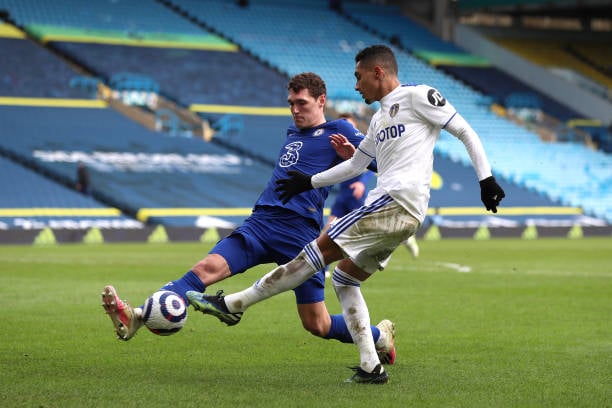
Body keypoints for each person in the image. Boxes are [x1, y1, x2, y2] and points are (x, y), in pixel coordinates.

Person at [186, 45, 505, 384]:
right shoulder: (379, 119)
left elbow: (465, 131)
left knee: (315, 252)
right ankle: (371, 366)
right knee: (344, 278)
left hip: (395, 201)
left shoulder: (419, 96)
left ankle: (233, 305)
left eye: (358, 76)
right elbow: (354, 164)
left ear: (377, 72)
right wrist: (308, 181)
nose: (356, 86)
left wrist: (485, 179)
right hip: (401, 214)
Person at [101, 72, 397, 365]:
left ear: (321, 101)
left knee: (316, 324)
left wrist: (352, 155)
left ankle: (379, 337)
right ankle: (138, 315)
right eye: (291, 103)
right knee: (205, 268)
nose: (295, 109)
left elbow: (384, 162)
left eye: (302, 103)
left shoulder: (340, 128)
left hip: (300, 234)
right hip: (262, 223)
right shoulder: (293, 133)